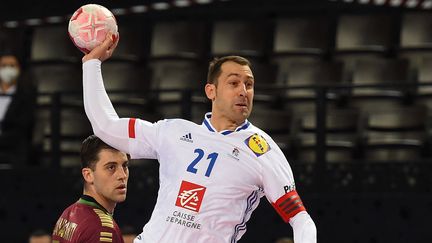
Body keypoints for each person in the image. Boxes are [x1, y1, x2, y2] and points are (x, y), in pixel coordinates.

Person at [81, 33, 316, 243]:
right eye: (233, 83)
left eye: (249, 84)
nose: (243, 91)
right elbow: (106, 127)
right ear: (210, 91)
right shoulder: (174, 132)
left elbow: (300, 218)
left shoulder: (262, 150)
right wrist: (91, 64)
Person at [52, 135, 129, 242]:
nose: (122, 175)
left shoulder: (67, 214)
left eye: (125, 165)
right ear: (88, 175)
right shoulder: (104, 229)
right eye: (111, 167)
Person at [0, 53, 36, 166]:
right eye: (4, 65)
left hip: (13, 153)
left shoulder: (26, 96)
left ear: (19, 69)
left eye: (12, 65)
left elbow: (23, 126)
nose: (8, 69)